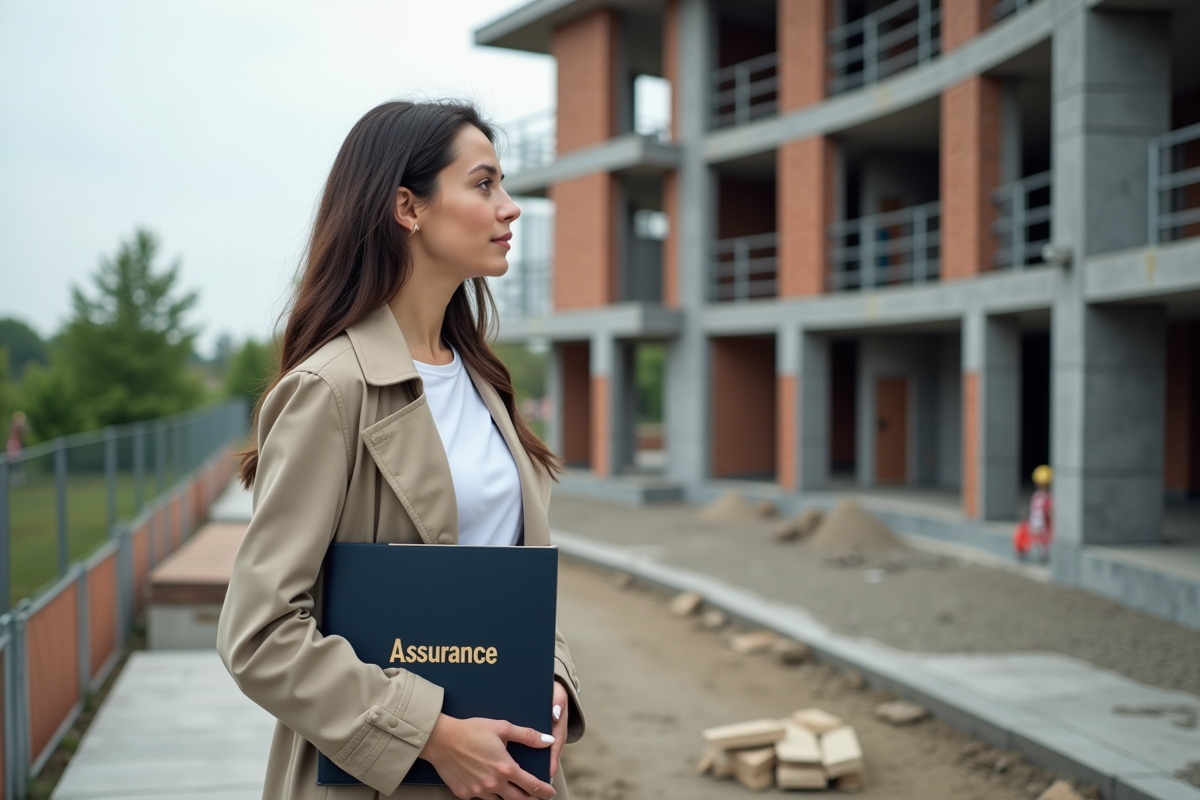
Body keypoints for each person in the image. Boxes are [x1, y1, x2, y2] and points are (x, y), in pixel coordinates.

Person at [216, 100, 584, 800]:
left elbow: (515, 580)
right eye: (484, 184)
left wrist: (555, 677)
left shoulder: (485, 387)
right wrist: (431, 735)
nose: (511, 208)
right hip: (377, 781)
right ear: (408, 208)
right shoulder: (330, 389)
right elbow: (258, 632)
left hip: (511, 773)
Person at [1014, 464, 1053, 562]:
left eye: (1044, 484)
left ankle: (1044, 556)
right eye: (1040, 483)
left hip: (1044, 529)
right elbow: (1033, 511)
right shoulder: (1036, 496)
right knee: (1022, 533)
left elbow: (1049, 514)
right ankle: (1023, 553)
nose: (1042, 486)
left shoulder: (1049, 499)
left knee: (1044, 545)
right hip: (1034, 527)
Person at [7, 411, 27, 485]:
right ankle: (15, 482)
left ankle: (18, 481)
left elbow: (23, 429)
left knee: (18, 466)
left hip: (18, 449)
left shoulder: (19, 429)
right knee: (14, 467)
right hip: (14, 448)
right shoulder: (14, 429)